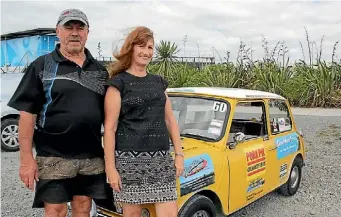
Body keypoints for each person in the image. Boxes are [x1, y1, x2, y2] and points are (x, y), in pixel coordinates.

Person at [7, 8, 109, 217]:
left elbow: (111, 116)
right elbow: (27, 114)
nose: (74, 32)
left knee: (83, 208)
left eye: (80, 28)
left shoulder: (99, 71)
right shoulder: (42, 66)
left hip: (91, 155)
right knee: (55, 209)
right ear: (58, 31)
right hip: (53, 154)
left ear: (87, 33)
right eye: (68, 27)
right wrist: (26, 159)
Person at [103, 26, 184, 217]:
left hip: (161, 161)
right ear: (130, 48)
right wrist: (111, 168)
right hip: (129, 163)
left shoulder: (158, 82)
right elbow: (110, 129)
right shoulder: (118, 83)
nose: (146, 52)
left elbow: (170, 120)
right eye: (141, 46)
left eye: (150, 47)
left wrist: (179, 154)